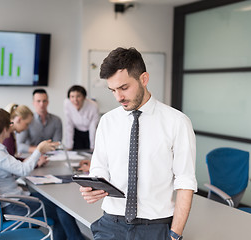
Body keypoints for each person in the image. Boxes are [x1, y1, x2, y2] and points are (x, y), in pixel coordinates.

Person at [79, 47, 197, 240]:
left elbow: (185, 182)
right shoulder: (107, 121)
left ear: (144, 79)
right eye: (113, 90)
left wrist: (175, 235)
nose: (118, 97)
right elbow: (99, 168)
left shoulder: (177, 122)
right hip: (111, 224)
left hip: (155, 226)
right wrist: (93, 188)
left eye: (124, 88)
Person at [0, 108, 85, 240]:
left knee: (56, 204)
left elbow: (12, 171)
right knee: (61, 210)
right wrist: (39, 150)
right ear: (6, 128)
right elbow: (23, 170)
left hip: (12, 198)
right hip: (13, 204)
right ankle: (76, 238)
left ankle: (75, 237)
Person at [16, 88, 63, 153]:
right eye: (38, 101)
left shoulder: (56, 120)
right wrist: (40, 149)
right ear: (33, 103)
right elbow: (18, 145)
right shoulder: (27, 121)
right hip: (30, 157)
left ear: (48, 102)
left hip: (51, 156)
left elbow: (57, 144)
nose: (41, 104)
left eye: (44, 101)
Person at [64, 85, 100, 150]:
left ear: (84, 97)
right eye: (72, 97)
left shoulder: (93, 106)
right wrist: (69, 146)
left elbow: (93, 127)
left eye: (78, 96)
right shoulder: (67, 104)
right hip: (76, 131)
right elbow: (69, 126)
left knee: (90, 152)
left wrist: (93, 147)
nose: (75, 100)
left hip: (89, 131)